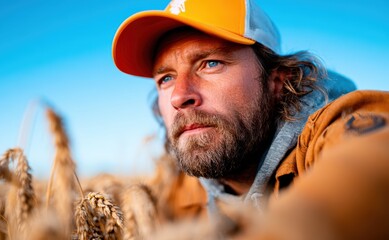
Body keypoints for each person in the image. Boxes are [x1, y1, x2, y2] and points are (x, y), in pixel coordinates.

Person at [112, 0, 389, 238]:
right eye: (166, 78)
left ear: (277, 82)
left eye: (210, 63)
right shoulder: (180, 195)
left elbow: (372, 161)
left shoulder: (328, 133)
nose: (179, 96)